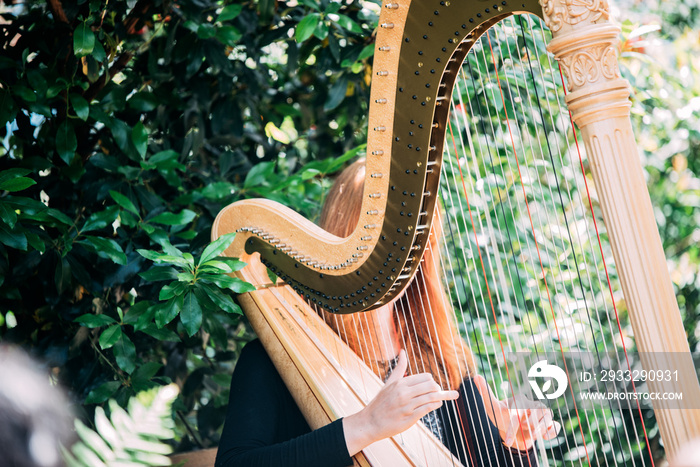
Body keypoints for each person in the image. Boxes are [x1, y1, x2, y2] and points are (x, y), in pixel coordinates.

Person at [215, 159, 559, 467]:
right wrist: (365, 426)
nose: (405, 251)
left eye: (414, 237)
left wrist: (514, 444)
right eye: (392, 237)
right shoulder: (276, 359)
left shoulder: (441, 353)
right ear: (347, 244)